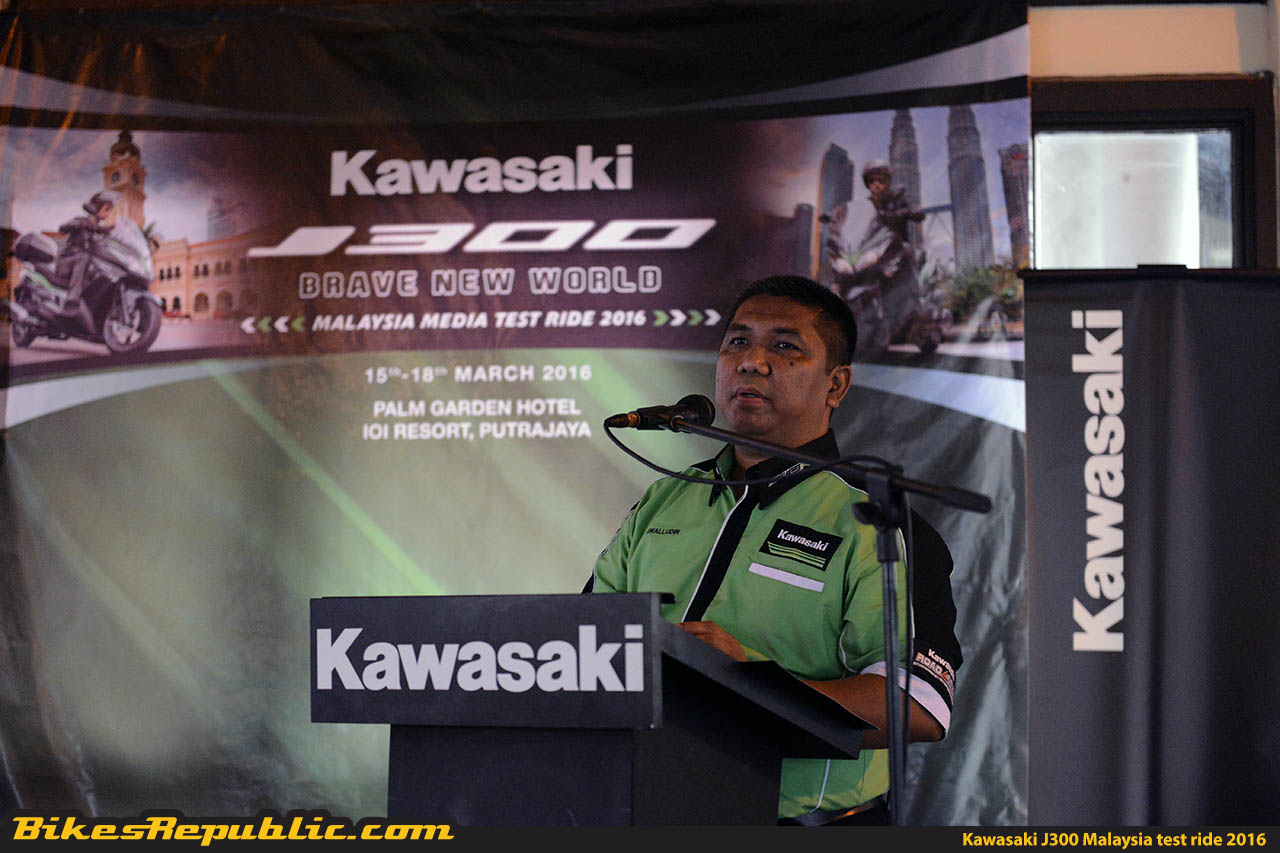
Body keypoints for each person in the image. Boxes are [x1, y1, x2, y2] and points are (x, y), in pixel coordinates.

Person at [586, 274, 961, 825]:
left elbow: (919, 704)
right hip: (646, 814)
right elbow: (585, 642)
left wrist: (747, 685)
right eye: (737, 342)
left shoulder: (878, 521)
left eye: (784, 347)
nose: (751, 362)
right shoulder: (664, 500)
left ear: (836, 385)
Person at [57, 189, 118, 314]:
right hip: (66, 264)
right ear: (96, 208)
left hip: (82, 267)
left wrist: (114, 231)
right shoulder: (81, 221)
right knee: (84, 256)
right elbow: (62, 228)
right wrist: (77, 224)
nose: (108, 213)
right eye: (106, 209)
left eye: (110, 210)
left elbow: (103, 233)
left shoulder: (98, 230)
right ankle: (71, 300)